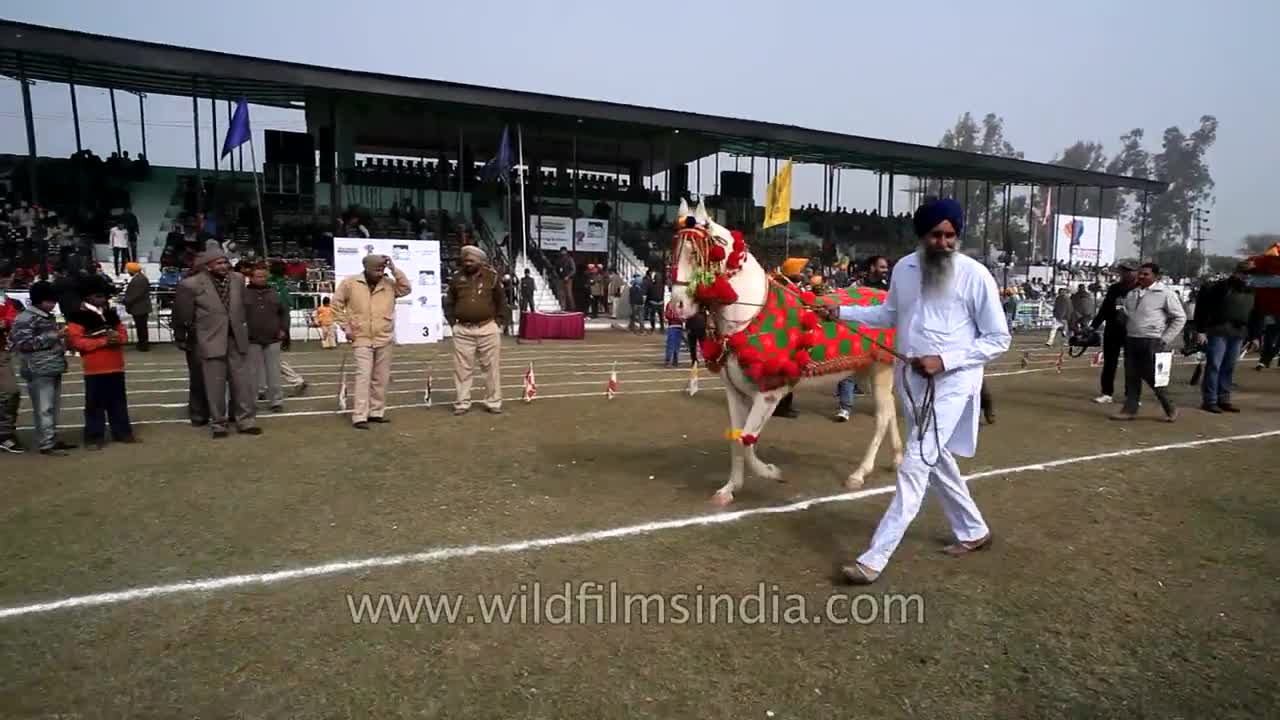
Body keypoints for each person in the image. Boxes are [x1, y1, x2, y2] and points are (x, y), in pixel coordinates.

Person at [830, 198, 1010, 584]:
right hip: (909, 379)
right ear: (922, 235)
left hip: (953, 382)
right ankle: (974, 531)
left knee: (915, 462)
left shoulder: (976, 275)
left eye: (950, 235)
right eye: (936, 234)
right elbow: (888, 315)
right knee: (936, 457)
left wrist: (944, 360)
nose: (944, 241)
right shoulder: (904, 269)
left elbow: (998, 338)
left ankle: (873, 560)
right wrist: (840, 312)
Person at [173, 241, 261, 438]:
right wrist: (182, 336)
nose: (224, 266)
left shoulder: (238, 279)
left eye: (225, 262)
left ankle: (245, 421)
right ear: (207, 265)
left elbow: (244, 306)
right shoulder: (191, 284)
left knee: (242, 383)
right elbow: (182, 313)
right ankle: (218, 424)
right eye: (219, 263)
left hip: (236, 338)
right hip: (209, 339)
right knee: (215, 385)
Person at [331, 252, 411, 428]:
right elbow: (336, 305)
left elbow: (406, 288)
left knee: (381, 378)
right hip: (361, 337)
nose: (380, 272)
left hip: (384, 336)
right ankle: (360, 415)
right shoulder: (350, 283)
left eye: (382, 269)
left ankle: (376, 412)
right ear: (366, 268)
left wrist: (394, 269)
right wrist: (346, 327)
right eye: (377, 269)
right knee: (363, 376)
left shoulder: (390, 284)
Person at [66, 275, 137, 449]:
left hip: (116, 366)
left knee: (118, 403)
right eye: (99, 296)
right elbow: (77, 342)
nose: (103, 299)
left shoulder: (110, 314)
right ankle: (94, 437)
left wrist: (117, 339)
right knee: (94, 405)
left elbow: (123, 335)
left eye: (104, 296)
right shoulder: (78, 316)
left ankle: (122, 432)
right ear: (88, 296)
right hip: (95, 368)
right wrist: (105, 341)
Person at [1110, 263, 1185, 422]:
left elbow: (1180, 317)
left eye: (1146, 274)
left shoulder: (1165, 293)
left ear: (1156, 276)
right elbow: (1128, 315)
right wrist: (1121, 314)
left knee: (1153, 377)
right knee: (1131, 376)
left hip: (1152, 340)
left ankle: (1169, 406)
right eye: (1140, 274)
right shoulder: (1132, 294)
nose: (1141, 277)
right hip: (1132, 339)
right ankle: (1130, 409)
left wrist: (1165, 338)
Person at [11, 280, 73, 455]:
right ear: (40, 300)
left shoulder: (47, 316)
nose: (53, 304)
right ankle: (46, 443)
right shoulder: (25, 318)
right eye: (50, 300)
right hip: (37, 368)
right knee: (44, 407)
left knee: (52, 406)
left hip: (52, 365)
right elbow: (24, 344)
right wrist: (55, 335)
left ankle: (50, 438)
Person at [445, 245, 508, 415]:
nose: (467, 263)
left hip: (487, 328)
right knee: (462, 369)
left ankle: (493, 402)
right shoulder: (456, 278)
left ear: (480, 262)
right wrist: (453, 322)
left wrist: (499, 322)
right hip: (463, 331)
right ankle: (462, 403)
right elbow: (449, 302)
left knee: (491, 368)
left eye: (471, 260)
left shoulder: (492, 278)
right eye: (465, 260)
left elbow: (501, 301)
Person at [1192, 261, 1257, 413]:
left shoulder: (1252, 291)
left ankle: (1224, 398)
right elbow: (1203, 308)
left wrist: (1255, 336)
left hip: (1238, 331)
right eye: (1245, 273)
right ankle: (1210, 400)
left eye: (1251, 274)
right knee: (1214, 365)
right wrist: (1200, 330)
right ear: (1237, 272)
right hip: (1218, 329)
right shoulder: (1219, 287)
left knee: (1229, 367)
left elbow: (1255, 315)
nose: (1247, 276)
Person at [835, 256, 890, 422]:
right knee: (848, 369)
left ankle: (882, 407)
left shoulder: (890, 289)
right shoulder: (855, 285)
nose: (885, 270)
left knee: (880, 373)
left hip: (881, 336)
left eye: (886, 267)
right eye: (882, 267)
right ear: (872, 268)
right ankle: (845, 407)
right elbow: (844, 302)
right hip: (856, 334)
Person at [1089, 262, 1138, 404]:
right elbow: (1104, 309)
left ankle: (1131, 395)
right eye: (1123, 272)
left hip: (1132, 331)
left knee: (1132, 365)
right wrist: (1093, 326)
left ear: (1135, 273)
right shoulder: (1114, 288)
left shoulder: (1140, 289)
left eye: (1129, 271)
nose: (1125, 274)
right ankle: (1106, 393)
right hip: (1112, 329)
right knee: (1109, 363)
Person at [244, 266, 290, 413]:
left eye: (264, 276)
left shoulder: (275, 293)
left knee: (274, 372)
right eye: (258, 276)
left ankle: (276, 401)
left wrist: (283, 329)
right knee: (251, 374)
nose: (262, 279)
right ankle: (251, 402)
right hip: (251, 339)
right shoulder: (243, 294)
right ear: (251, 278)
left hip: (273, 338)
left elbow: (284, 312)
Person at [0, 264, 25, 454]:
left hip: (2, 352)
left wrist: (7, 322)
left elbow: (13, 319)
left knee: (11, 392)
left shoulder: (5, 299)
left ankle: (5, 433)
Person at [122, 262, 152, 351]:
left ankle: (143, 345)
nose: (127, 271)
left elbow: (135, 295)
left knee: (141, 327)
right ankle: (142, 343)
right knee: (141, 327)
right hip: (141, 307)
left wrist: (125, 301)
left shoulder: (138, 279)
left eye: (128, 270)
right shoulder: (140, 278)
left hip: (139, 307)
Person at [663, 297, 684, 367]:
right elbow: (668, 315)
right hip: (674, 326)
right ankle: (669, 360)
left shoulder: (680, 304)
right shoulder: (671, 304)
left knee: (675, 344)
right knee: (672, 344)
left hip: (676, 326)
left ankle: (674, 360)